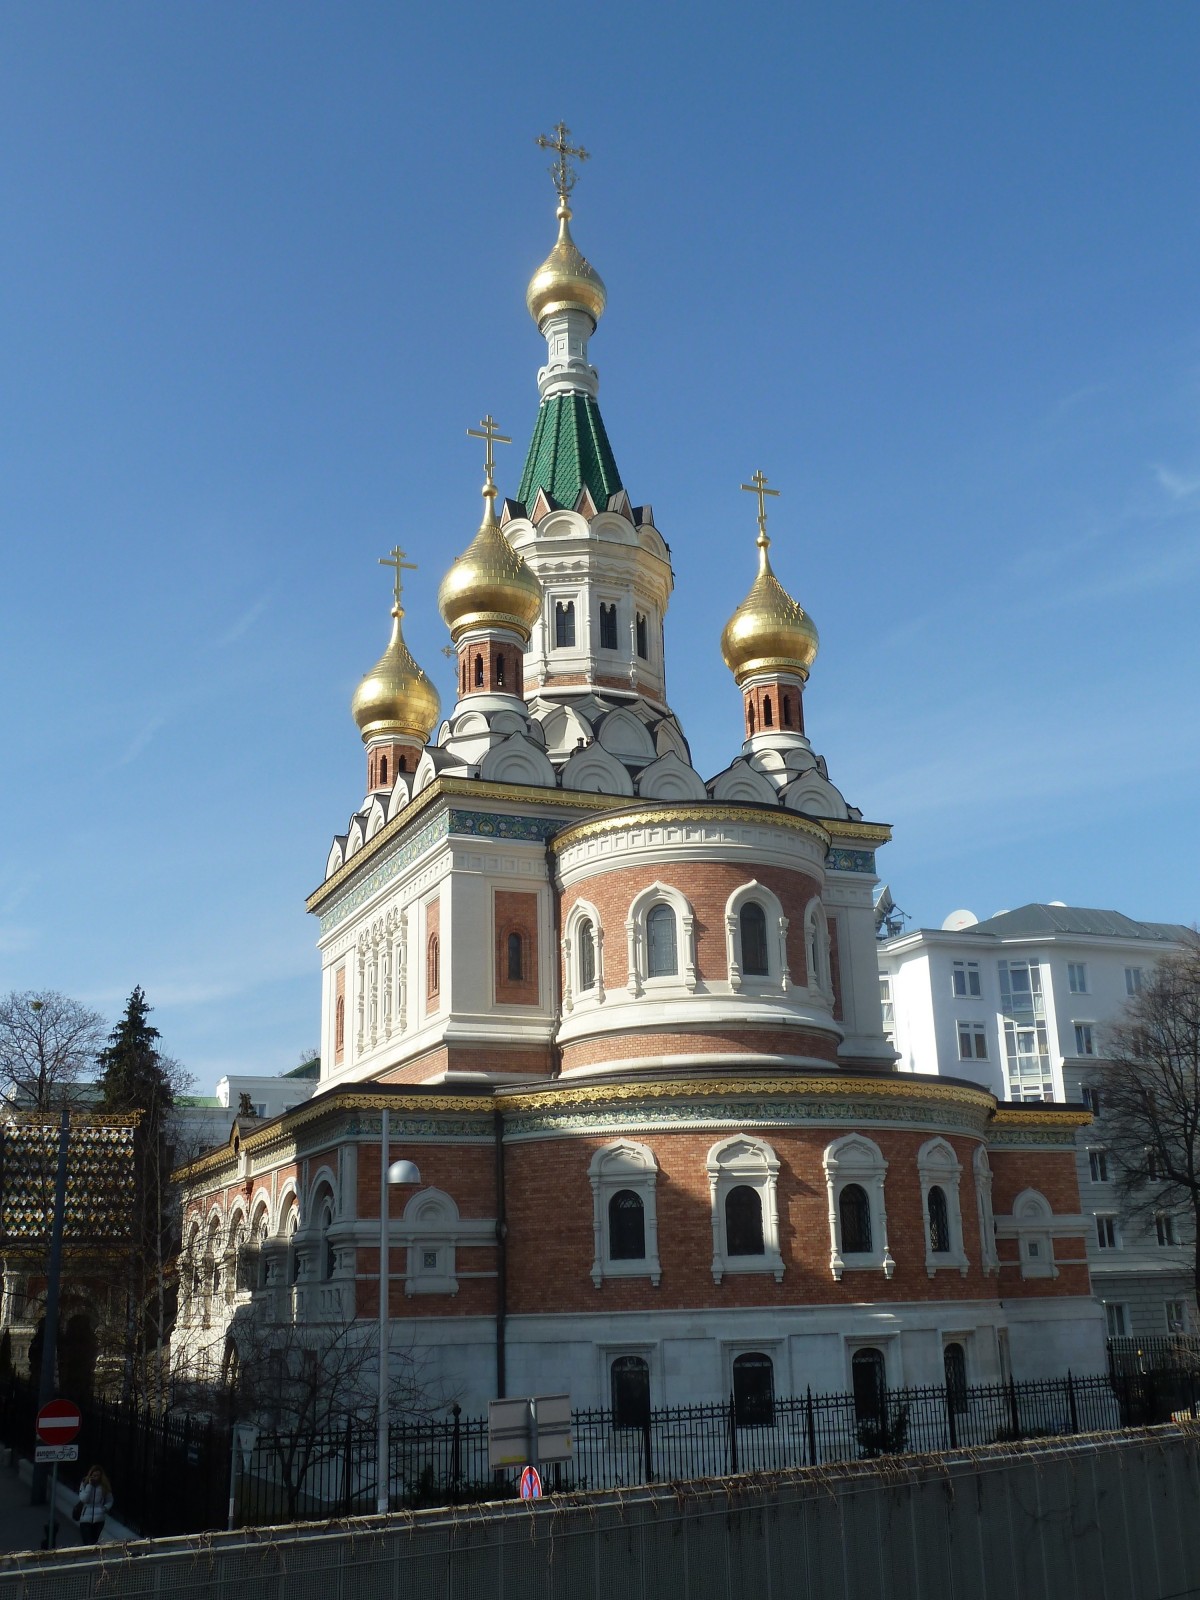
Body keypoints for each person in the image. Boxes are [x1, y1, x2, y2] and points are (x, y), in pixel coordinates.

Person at [75, 1465, 113, 1545]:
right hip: (85, 1519)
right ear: (90, 1475)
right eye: (94, 1475)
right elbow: (83, 1499)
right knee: (87, 1542)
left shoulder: (103, 1486)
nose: (95, 1477)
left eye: (98, 1476)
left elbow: (110, 1500)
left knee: (94, 1542)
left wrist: (104, 1508)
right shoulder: (84, 1484)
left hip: (99, 1519)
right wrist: (89, 1485)